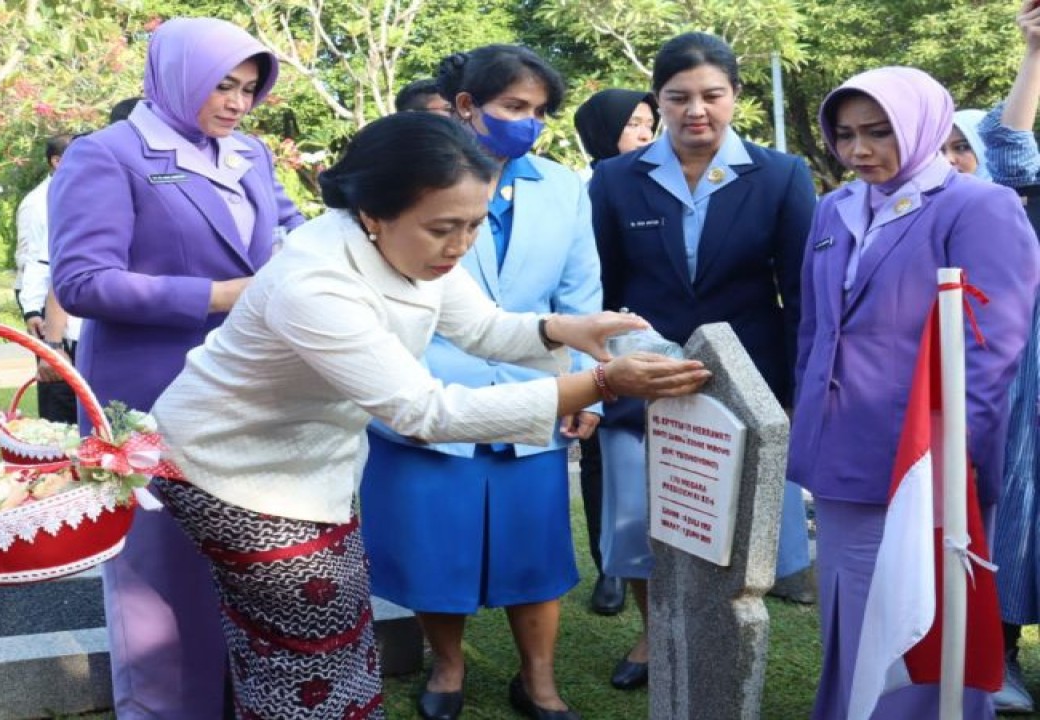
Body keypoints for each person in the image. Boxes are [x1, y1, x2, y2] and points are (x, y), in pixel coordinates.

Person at [148, 110, 712, 720]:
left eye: (473, 225)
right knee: (313, 645)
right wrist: (599, 382)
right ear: (372, 213)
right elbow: (423, 410)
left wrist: (566, 327)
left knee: (301, 640)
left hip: (300, 465)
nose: (461, 245)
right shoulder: (315, 282)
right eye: (445, 228)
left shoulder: (412, 245)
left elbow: (480, 325)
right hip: (232, 471)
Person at [48, 17, 304, 720]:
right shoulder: (107, 154)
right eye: (223, 84)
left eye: (250, 89)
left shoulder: (248, 154)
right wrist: (219, 296)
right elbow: (82, 282)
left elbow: (294, 234)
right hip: (147, 394)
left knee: (244, 559)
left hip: (246, 388)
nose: (236, 103)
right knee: (155, 578)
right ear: (176, 74)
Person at [788, 65, 1040, 720]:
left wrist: (958, 471)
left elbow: (990, 352)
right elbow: (815, 331)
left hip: (924, 465)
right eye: (844, 135)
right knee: (852, 623)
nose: (858, 151)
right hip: (839, 461)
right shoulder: (834, 205)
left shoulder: (979, 207)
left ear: (923, 127)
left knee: (919, 633)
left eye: (879, 133)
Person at [358, 45, 599, 720]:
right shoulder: (411, 180)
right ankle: (449, 667)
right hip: (429, 395)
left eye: (541, 111)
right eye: (514, 107)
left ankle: (539, 679)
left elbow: (580, 293)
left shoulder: (564, 188)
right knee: (438, 546)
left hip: (536, 389)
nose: (531, 123)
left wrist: (587, 386)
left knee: (537, 548)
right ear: (466, 107)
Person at [588, 31, 817, 691]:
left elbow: (798, 292)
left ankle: (719, 632)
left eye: (712, 95)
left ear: (735, 97)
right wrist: (600, 380)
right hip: (644, 380)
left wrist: (795, 390)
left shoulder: (780, 175)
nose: (696, 110)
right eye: (678, 96)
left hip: (746, 375)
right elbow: (599, 289)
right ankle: (653, 629)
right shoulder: (614, 179)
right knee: (637, 515)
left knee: (731, 520)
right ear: (657, 101)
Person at [975, 2, 1040, 712]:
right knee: (1019, 511)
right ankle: (1004, 651)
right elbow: (1009, 141)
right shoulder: (1022, 195)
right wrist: (1035, 53)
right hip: (1033, 381)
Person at [572, 87, 658, 616]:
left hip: (654, 337)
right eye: (633, 125)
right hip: (597, 340)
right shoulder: (581, 190)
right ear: (603, 132)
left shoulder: (662, 184)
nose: (646, 135)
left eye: (650, 124)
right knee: (602, 457)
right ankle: (611, 569)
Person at [17, 133, 78, 423]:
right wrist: (34, 315)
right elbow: (34, 262)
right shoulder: (38, 203)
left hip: (83, 323)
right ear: (56, 161)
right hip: (52, 316)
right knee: (60, 415)